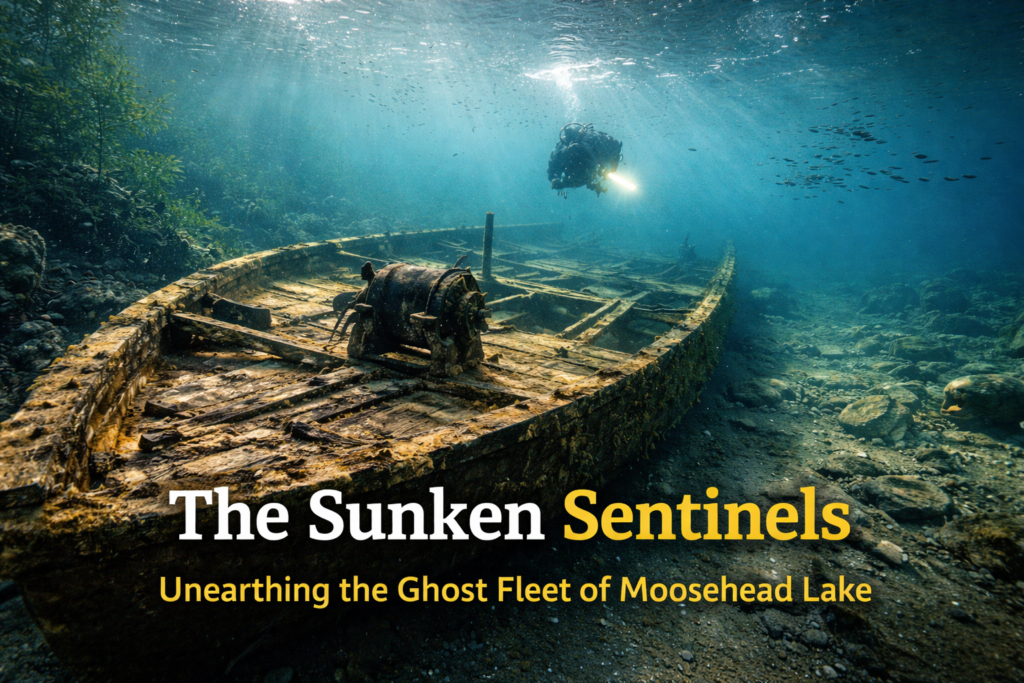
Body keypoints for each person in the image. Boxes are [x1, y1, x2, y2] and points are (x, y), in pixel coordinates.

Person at [547, 123, 623, 196]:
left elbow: (616, 145)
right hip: (585, 168)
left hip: (592, 163)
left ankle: (590, 172)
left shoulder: (593, 138)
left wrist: (610, 169)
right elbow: (552, 174)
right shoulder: (559, 153)